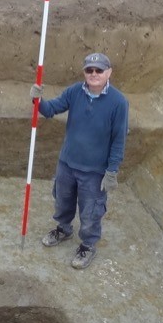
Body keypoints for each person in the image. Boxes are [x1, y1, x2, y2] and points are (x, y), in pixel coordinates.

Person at [29, 52, 128, 270]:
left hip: (94, 171)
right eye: (89, 70)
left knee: (90, 211)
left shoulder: (119, 102)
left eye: (99, 70)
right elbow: (51, 110)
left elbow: (118, 139)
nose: (94, 74)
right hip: (67, 163)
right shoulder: (75, 91)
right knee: (62, 200)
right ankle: (63, 229)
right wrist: (38, 100)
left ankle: (88, 245)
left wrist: (112, 171)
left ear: (108, 72)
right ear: (84, 72)